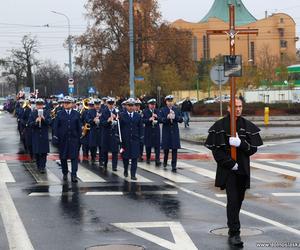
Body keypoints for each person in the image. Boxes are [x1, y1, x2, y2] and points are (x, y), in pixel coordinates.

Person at [205, 98, 263, 248]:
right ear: (229, 108)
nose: (238, 109)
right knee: (232, 200)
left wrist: (241, 144)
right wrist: (231, 164)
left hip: (243, 169)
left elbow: (252, 149)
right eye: (235, 106)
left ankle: (233, 225)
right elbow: (216, 152)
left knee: (239, 199)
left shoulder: (246, 125)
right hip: (228, 170)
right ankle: (234, 232)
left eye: (240, 106)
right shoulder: (220, 125)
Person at [53, 96, 82, 183]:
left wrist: (79, 138)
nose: (66, 104)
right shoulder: (59, 113)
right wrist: (56, 136)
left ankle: (74, 175)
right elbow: (56, 126)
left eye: (68, 103)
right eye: (64, 103)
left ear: (72, 104)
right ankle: (65, 173)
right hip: (63, 139)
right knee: (63, 157)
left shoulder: (76, 114)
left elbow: (79, 127)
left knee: (74, 158)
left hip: (74, 139)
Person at [119, 98, 144, 180]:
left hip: (135, 140)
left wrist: (141, 138)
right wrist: (119, 139)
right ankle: (126, 169)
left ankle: (133, 174)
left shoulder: (138, 116)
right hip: (125, 140)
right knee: (125, 157)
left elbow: (141, 128)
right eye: (129, 105)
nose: (131, 107)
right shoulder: (122, 115)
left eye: (132, 105)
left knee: (134, 158)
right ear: (126, 106)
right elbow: (119, 128)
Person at [160, 95, 183, 172]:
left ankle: (174, 165)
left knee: (174, 149)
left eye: (171, 101)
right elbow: (160, 119)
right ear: (166, 102)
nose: (170, 103)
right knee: (166, 149)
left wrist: (175, 117)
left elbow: (181, 119)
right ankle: (165, 162)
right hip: (166, 132)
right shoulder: (163, 110)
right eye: (168, 101)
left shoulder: (176, 109)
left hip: (174, 132)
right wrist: (167, 118)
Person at [28, 99, 52, 173]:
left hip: (44, 135)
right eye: (38, 105)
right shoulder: (33, 113)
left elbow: (50, 123)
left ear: (43, 105)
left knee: (44, 153)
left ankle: (42, 166)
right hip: (36, 135)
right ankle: (39, 166)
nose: (39, 106)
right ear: (36, 105)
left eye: (41, 104)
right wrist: (36, 121)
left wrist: (44, 119)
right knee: (37, 152)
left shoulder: (46, 113)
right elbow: (29, 124)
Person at [100, 97, 120, 171]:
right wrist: (108, 120)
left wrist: (117, 119)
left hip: (114, 134)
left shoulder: (117, 112)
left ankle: (114, 166)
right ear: (107, 104)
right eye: (109, 104)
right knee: (105, 150)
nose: (111, 105)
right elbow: (102, 123)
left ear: (114, 104)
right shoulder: (104, 112)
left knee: (115, 151)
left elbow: (121, 123)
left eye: (112, 103)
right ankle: (105, 163)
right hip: (106, 134)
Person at [142, 98, 161, 166]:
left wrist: (157, 117)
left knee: (157, 146)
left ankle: (157, 159)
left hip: (156, 130)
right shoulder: (145, 111)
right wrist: (149, 119)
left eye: (154, 104)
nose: (153, 106)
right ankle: (148, 158)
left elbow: (161, 120)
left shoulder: (157, 111)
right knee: (148, 146)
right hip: (148, 130)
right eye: (151, 104)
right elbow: (143, 120)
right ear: (148, 105)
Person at [86, 98, 103, 165]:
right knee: (92, 146)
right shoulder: (90, 111)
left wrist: (101, 121)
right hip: (93, 130)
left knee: (101, 146)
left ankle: (101, 160)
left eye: (98, 104)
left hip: (101, 131)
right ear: (94, 105)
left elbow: (106, 119)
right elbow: (87, 119)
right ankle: (93, 157)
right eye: (96, 104)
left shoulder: (103, 111)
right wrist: (93, 120)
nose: (97, 106)